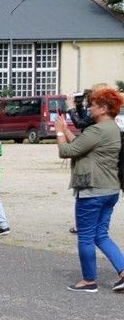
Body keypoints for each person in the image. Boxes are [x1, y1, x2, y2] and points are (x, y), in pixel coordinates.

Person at [55, 87, 124, 293]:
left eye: (92, 105)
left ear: (104, 108)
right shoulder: (112, 128)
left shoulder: (97, 130)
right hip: (110, 189)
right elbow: (81, 145)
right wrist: (66, 128)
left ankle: (88, 280)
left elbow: (66, 151)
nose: (89, 109)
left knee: (85, 236)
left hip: (92, 190)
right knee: (101, 235)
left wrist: (59, 131)